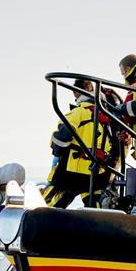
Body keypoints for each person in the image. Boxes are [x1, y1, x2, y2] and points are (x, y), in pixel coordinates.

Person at [44, 80, 117, 208]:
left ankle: (39, 218)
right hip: (96, 173)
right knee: (93, 204)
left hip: (71, 171)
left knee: (52, 199)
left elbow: (62, 139)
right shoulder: (107, 118)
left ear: (75, 93)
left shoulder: (78, 113)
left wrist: (55, 150)